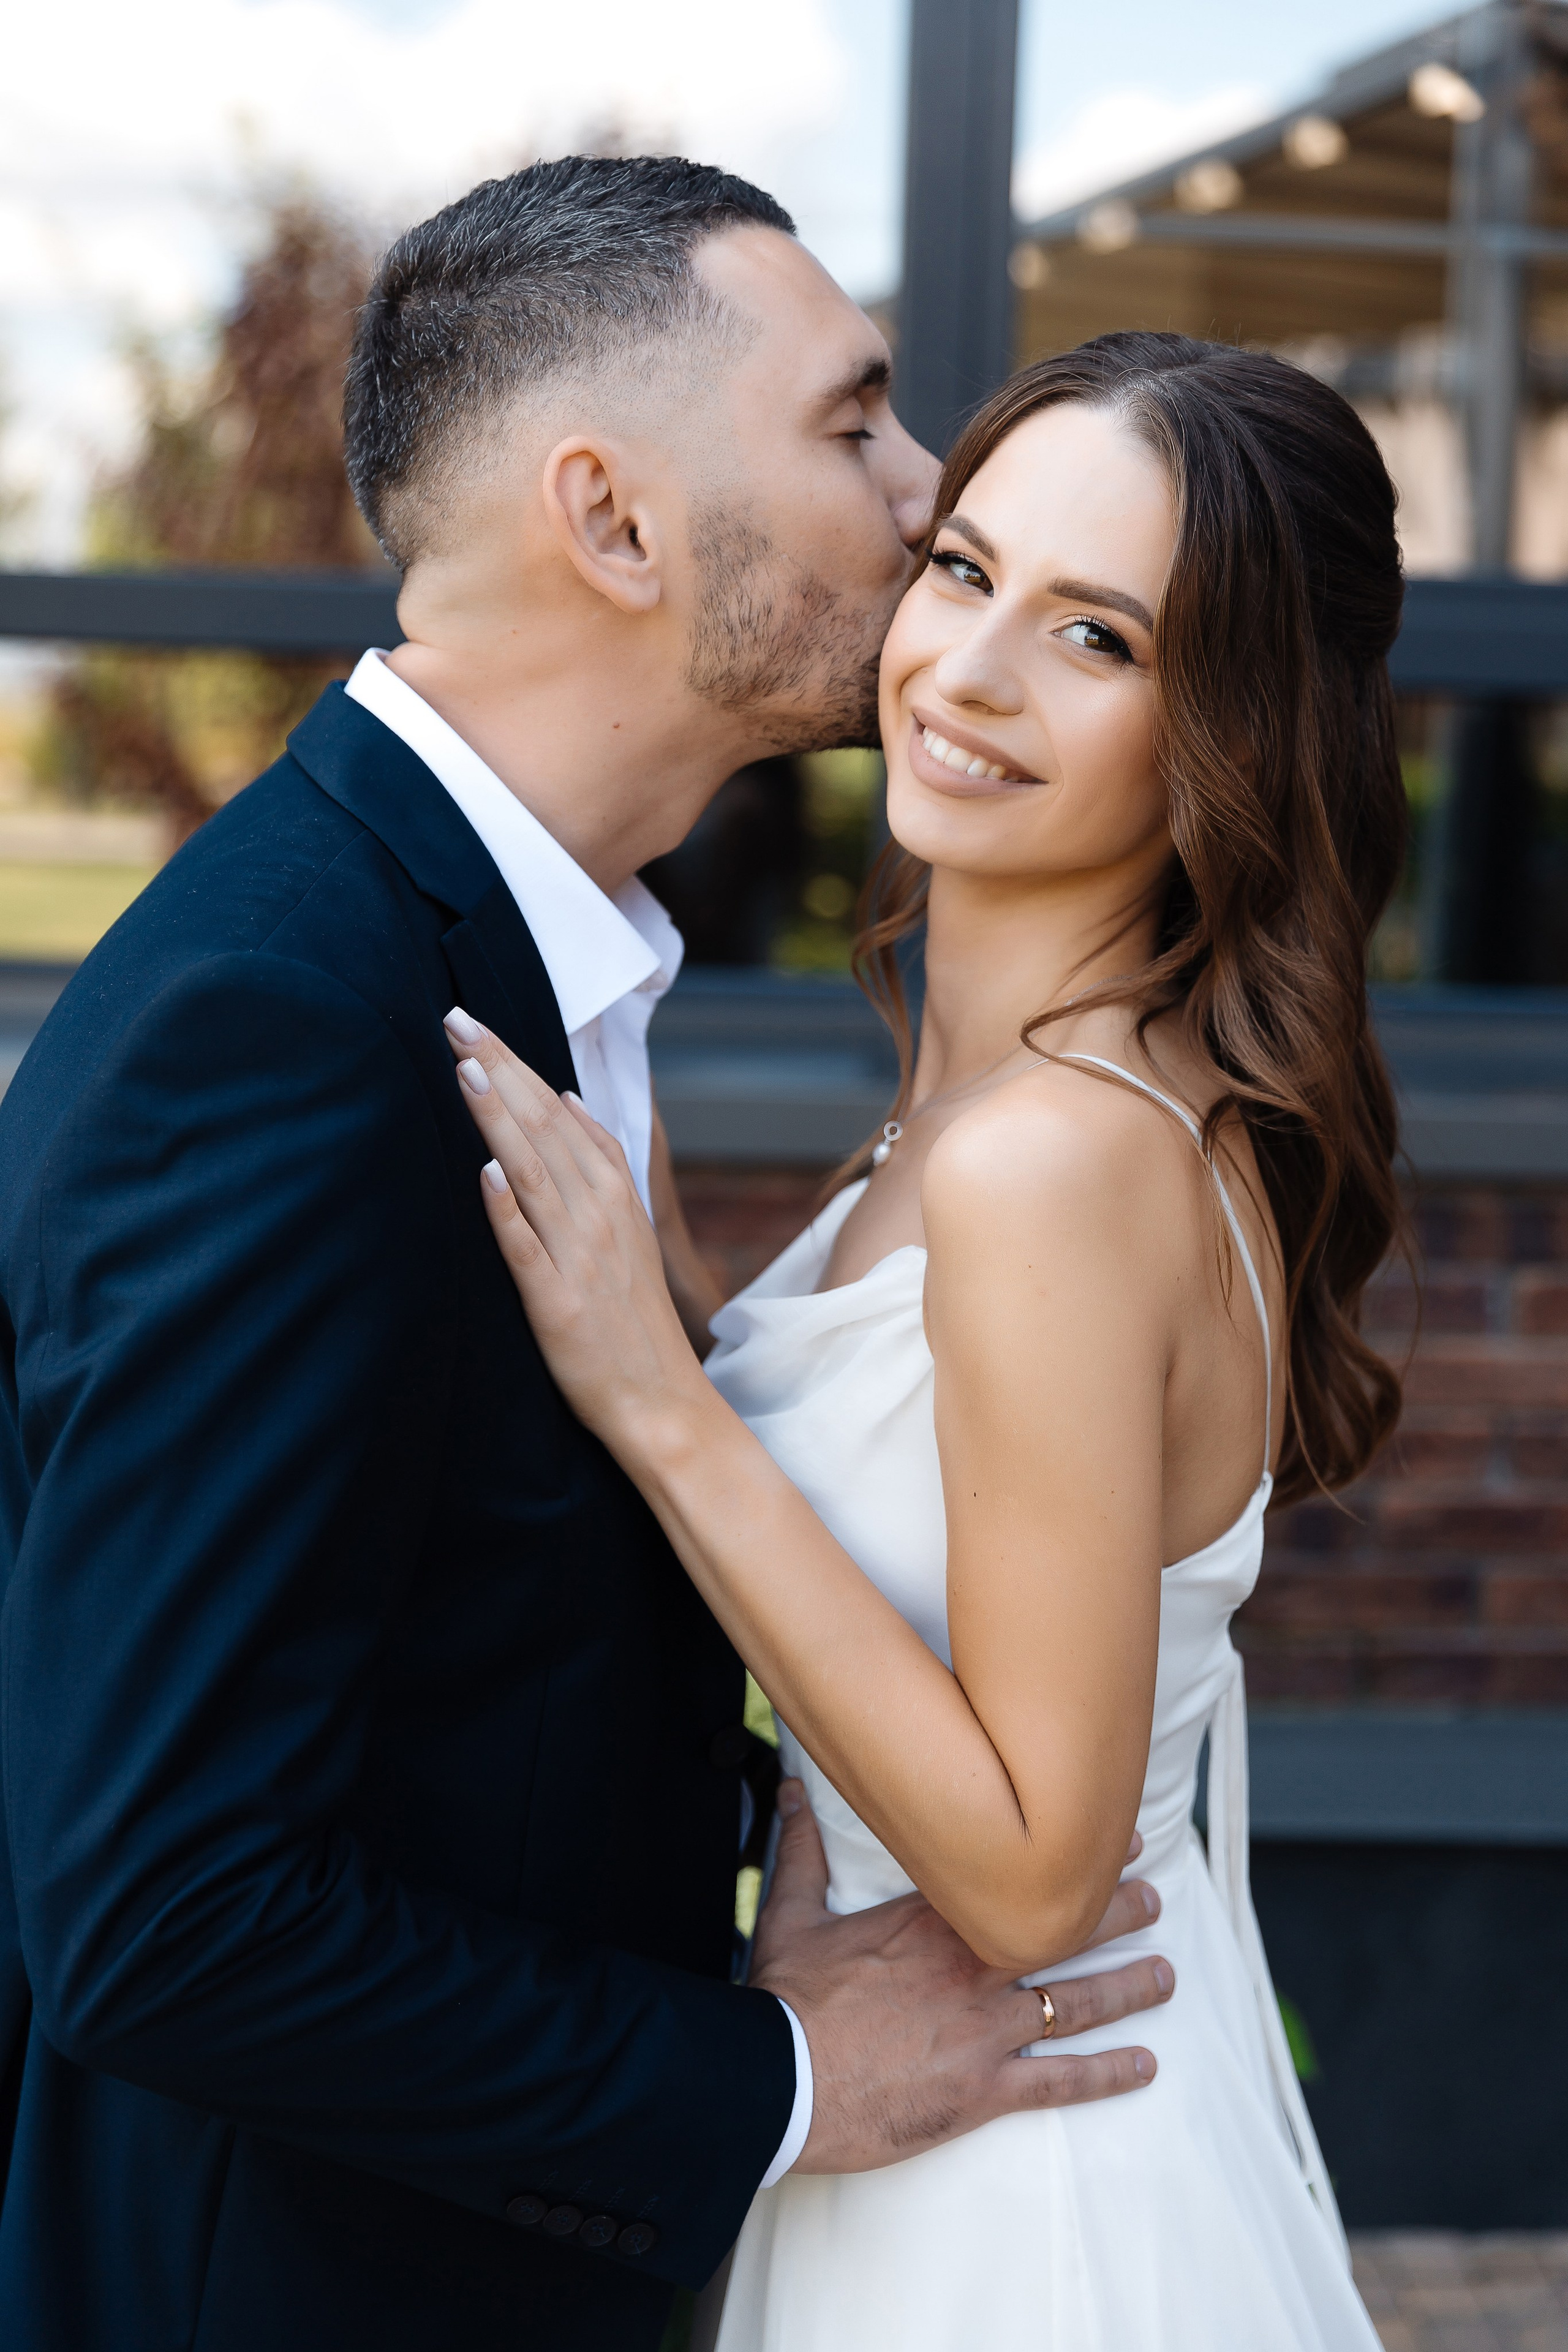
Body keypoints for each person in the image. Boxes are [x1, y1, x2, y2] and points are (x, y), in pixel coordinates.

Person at [0, 162, 1175, 2352]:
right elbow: (166, 1916)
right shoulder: (287, 1025)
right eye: (854, 421)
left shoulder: (533, 959)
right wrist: (782, 2078)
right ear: (615, 522)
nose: (928, 495)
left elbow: (469, 1649)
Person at [448, 331, 1408, 2348]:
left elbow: (1041, 1875)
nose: (969, 671)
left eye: (1099, 638)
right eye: (964, 571)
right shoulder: (1004, 1109)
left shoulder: (1050, 1160)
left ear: (1235, 728)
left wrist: (660, 1398)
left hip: (1024, 2186)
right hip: (945, 2097)